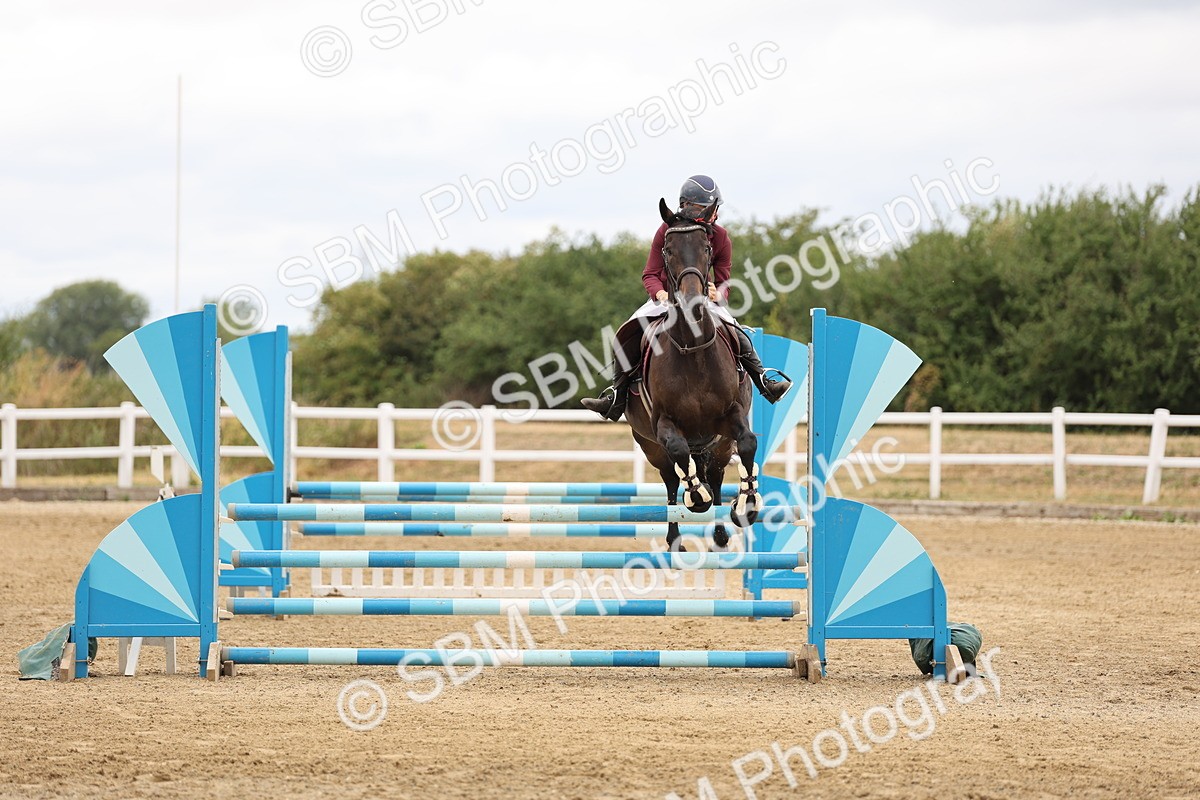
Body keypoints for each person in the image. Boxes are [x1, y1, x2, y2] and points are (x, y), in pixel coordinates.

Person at [582, 175, 793, 421]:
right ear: (690, 207)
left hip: (703, 300)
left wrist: (719, 293)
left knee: (736, 331)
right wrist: (659, 293)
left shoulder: (721, 237)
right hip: (664, 298)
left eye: (714, 209)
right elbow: (650, 273)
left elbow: (724, 279)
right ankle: (616, 397)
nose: (715, 214)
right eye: (710, 209)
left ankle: (763, 380)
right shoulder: (666, 231)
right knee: (627, 332)